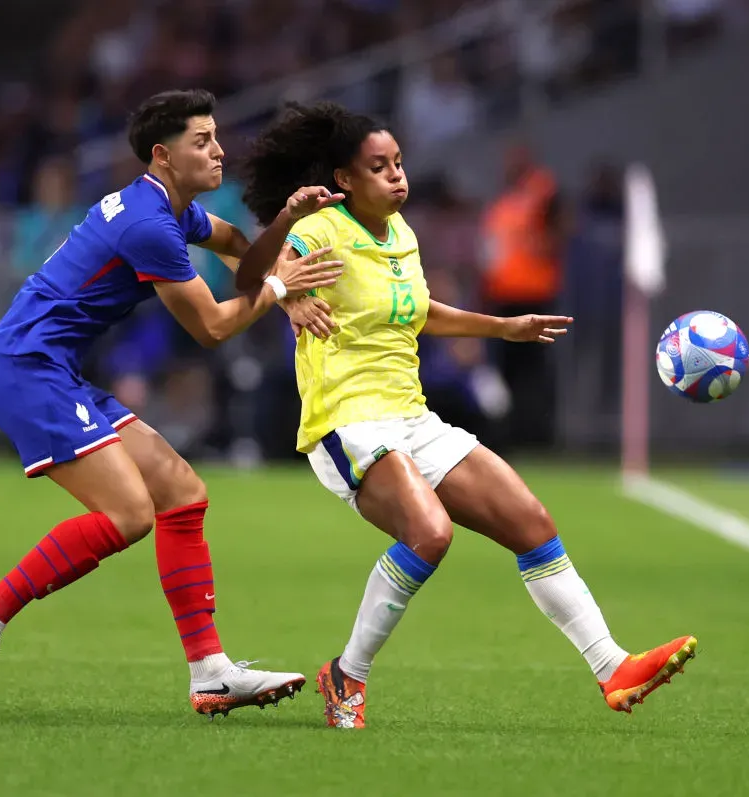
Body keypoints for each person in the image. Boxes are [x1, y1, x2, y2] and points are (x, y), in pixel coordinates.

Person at [241, 102, 696, 729]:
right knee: (430, 534)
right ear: (345, 179)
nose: (397, 176)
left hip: (411, 418)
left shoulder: (402, 235)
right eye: (379, 167)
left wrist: (501, 327)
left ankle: (612, 667)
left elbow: (420, 311)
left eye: (399, 163)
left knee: (531, 522)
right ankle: (349, 676)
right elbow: (261, 268)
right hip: (347, 423)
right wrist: (287, 301)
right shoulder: (321, 227)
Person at [0, 89, 344, 717]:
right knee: (129, 514)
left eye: (216, 137)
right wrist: (276, 288)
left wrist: (284, 239)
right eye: (203, 141)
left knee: (182, 492)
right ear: (163, 155)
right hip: (26, 370)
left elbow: (239, 245)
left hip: (53, 369)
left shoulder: (167, 207)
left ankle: (210, 671)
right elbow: (211, 327)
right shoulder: (148, 225)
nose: (219, 151)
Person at [478, 142, 567, 451]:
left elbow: (561, 221)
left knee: (535, 370)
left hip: (534, 295)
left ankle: (537, 434)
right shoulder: (503, 203)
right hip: (503, 297)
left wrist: (546, 244)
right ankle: (509, 433)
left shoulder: (542, 190)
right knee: (507, 371)